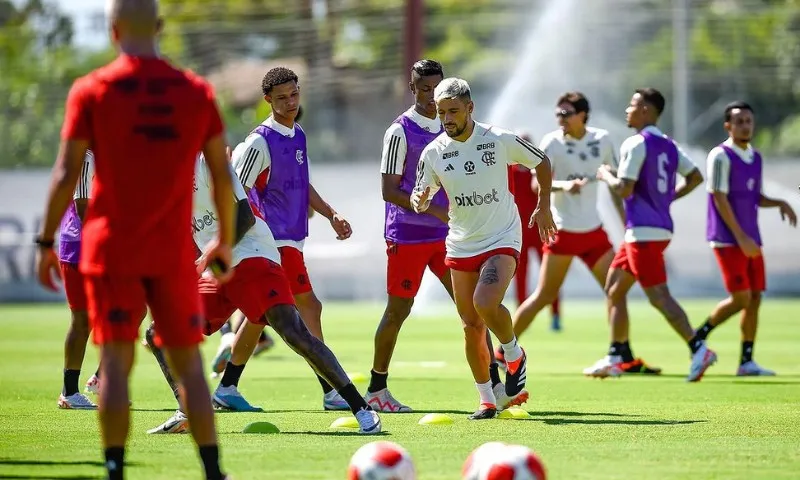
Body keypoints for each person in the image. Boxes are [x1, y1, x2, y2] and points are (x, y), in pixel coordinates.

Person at [35, 1, 233, 478]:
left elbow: (65, 174)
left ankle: (115, 470)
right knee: (189, 366)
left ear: (112, 30)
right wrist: (224, 240)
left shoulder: (92, 90)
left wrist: (45, 242)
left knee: (116, 365)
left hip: (111, 249)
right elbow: (223, 176)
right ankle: (213, 472)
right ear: (161, 28)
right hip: (170, 253)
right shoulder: (195, 92)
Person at [147, 156, 381, 434]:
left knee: (293, 331)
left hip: (253, 254)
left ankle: (362, 409)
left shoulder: (208, 164)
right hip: (219, 268)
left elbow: (244, 217)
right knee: (158, 333)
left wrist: (210, 254)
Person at [371, 60, 522, 413]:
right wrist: (436, 209)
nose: (431, 96)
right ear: (413, 89)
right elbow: (389, 190)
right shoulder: (400, 131)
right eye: (424, 89)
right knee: (398, 310)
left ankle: (495, 389)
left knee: (472, 313)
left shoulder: (457, 125)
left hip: (452, 236)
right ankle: (377, 387)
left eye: (436, 89)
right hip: (407, 235)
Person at [411, 78, 556, 419]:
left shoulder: (498, 139)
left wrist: (544, 204)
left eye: (453, 111)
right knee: (471, 325)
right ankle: (487, 400)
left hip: (502, 237)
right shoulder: (433, 152)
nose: (446, 118)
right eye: (441, 111)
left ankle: (513, 353)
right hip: (461, 243)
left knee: (484, 302)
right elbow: (422, 192)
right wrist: (420, 199)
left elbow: (542, 161)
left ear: (470, 108)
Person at [505, 93, 662, 375]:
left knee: (616, 291)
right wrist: (566, 186)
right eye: (558, 115)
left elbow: (617, 184)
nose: (561, 119)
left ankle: (622, 354)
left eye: (566, 114)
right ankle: (503, 352)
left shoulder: (602, 139)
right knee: (543, 296)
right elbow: (534, 185)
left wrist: (627, 223)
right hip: (563, 232)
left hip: (594, 234)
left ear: (583, 115)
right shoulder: (551, 142)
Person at [231, 66, 353, 411]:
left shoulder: (297, 134)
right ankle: (332, 391)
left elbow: (303, 182)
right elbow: (235, 190)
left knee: (261, 315)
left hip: (291, 239)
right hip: (273, 241)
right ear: (267, 100)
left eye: (294, 95)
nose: (290, 102)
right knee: (309, 307)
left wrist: (331, 214)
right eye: (281, 97)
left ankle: (227, 385)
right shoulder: (259, 141)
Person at [588, 88, 714, 382]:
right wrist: (666, 199)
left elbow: (625, 189)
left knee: (658, 296)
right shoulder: (669, 145)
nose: (627, 110)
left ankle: (699, 348)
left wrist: (606, 174)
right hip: (649, 230)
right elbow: (695, 177)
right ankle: (616, 356)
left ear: (646, 109)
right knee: (615, 289)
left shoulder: (636, 143)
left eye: (632, 105)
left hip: (643, 232)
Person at [693, 101, 796, 376]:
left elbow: (755, 197)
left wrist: (780, 203)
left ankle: (746, 362)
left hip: (751, 240)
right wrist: (740, 237)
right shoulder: (720, 155)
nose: (745, 125)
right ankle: (698, 336)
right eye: (739, 121)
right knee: (740, 298)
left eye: (748, 120)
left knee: (755, 299)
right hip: (728, 239)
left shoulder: (756, 157)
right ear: (728, 125)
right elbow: (719, 197)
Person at [57, 151, 100, 409]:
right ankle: (69, 391)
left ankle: (100, 379)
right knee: (82, 319)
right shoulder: (85, 155)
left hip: (90, 246)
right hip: (79, 246)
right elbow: (82, 204)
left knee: (129, 310)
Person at [509, 132, 561, 332]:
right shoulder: (510, 171)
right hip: (519, 232)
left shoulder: (539, 171)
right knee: (519, 276)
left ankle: (555, 315)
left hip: (540, 230)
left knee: (549, 276)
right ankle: (521, 316)